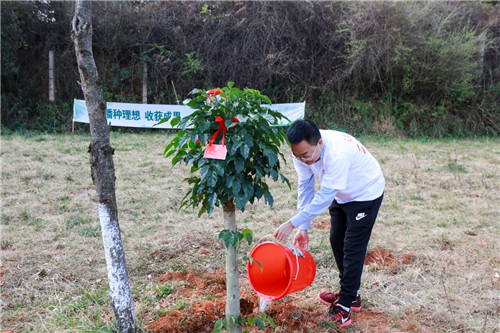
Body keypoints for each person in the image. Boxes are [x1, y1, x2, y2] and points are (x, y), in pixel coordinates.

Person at [273, 120, 385, 327]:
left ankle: (343, 307)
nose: (303, 160)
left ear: (320, 143)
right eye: (297, 156)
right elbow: (305, 186)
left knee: (352, 247)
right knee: (336, 241)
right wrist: (302, 228)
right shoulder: (301, 151)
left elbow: (324, 196)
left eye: (306, 155)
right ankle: (351, 294)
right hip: (340, 193)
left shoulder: (338, 153)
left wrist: (291, 223)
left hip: (365, 193)